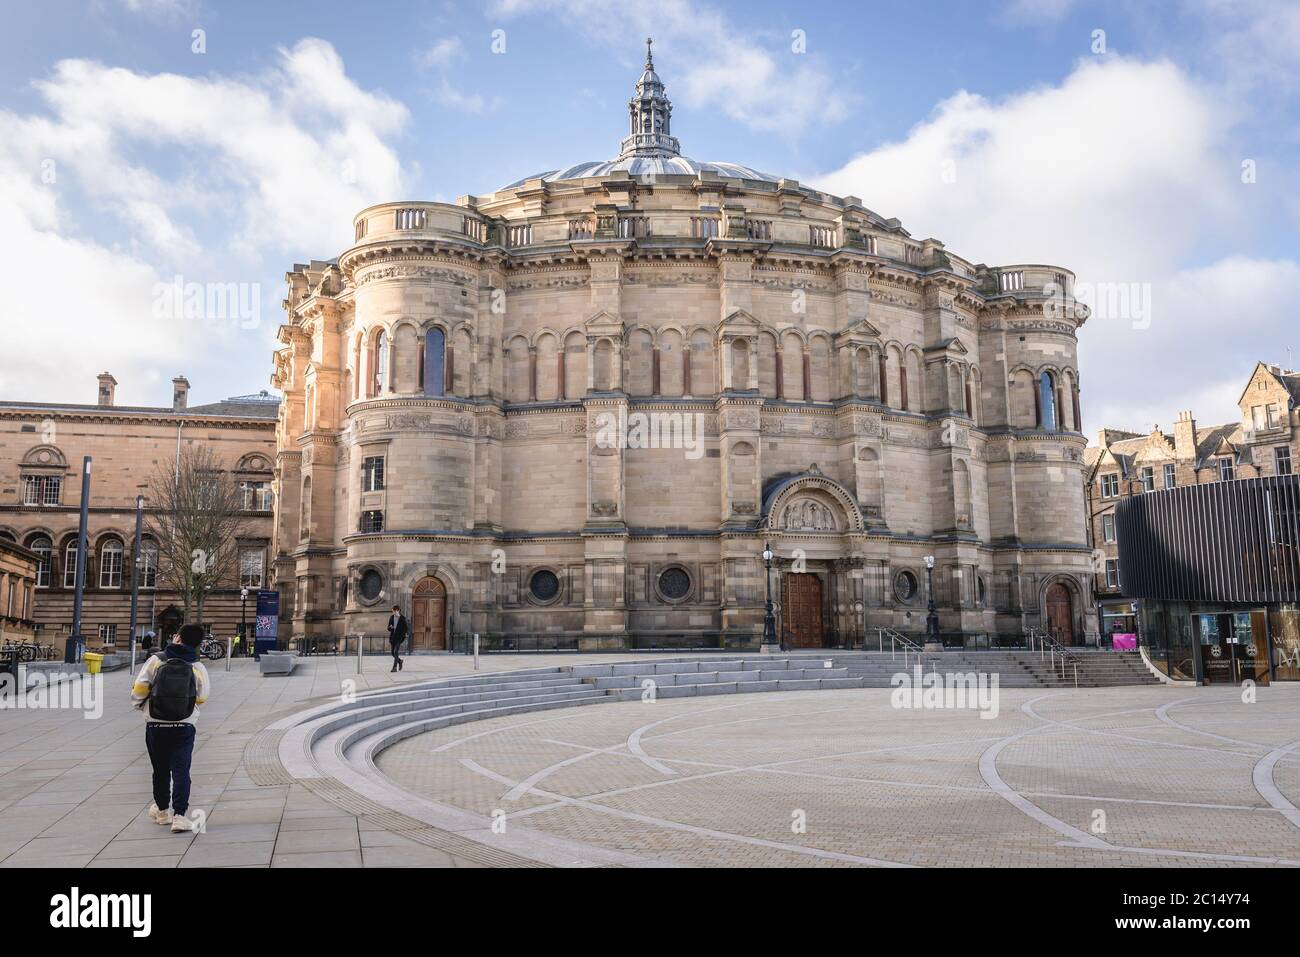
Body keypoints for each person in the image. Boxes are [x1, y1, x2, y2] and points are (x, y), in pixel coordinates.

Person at [130, 623, 210, 833]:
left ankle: (163, 811)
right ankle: (180, 816)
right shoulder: (197, 666)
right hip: (184, 726)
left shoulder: (157, 659)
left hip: (156, 724)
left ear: (177, 638)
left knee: (160, 770)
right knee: (181, 771)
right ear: (198, 644)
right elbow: (202, 697)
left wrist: (142, 706)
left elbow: (140, 688)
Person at [387, 604, 408, 672]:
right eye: (392, 611)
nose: (393, 612)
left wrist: (404, 635)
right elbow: (388, 628)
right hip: (393, 637)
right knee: (392, 653)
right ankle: (400, 661)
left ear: (398, 610)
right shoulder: (391, 617)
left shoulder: (402, 618)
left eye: (394, 611)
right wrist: (390, 628)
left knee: (396, 651)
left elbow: (406, 628)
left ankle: (394, 667)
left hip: (399, 638)